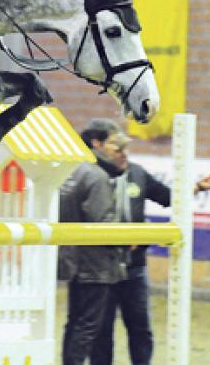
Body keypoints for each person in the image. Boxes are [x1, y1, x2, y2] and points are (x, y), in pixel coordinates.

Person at [82, 118, 210, 365]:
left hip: (134, 268)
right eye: (118, 149)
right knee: (100, 335)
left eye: (126, 148)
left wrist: (198, 187)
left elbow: (168, 197)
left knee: (140, 330)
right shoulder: (87, 176)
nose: (125, 154)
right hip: (100, 269)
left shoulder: (137, 173)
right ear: (97, 145)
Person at [58, 120, 130, 365]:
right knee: (88, 326)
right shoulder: (97, 177)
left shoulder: (71, 171)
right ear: (96, 143)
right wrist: (127, 239)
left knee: (75, 322)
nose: (119, 153)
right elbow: (104, 223)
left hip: (74, 261)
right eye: (114, 145)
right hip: (95, 263)